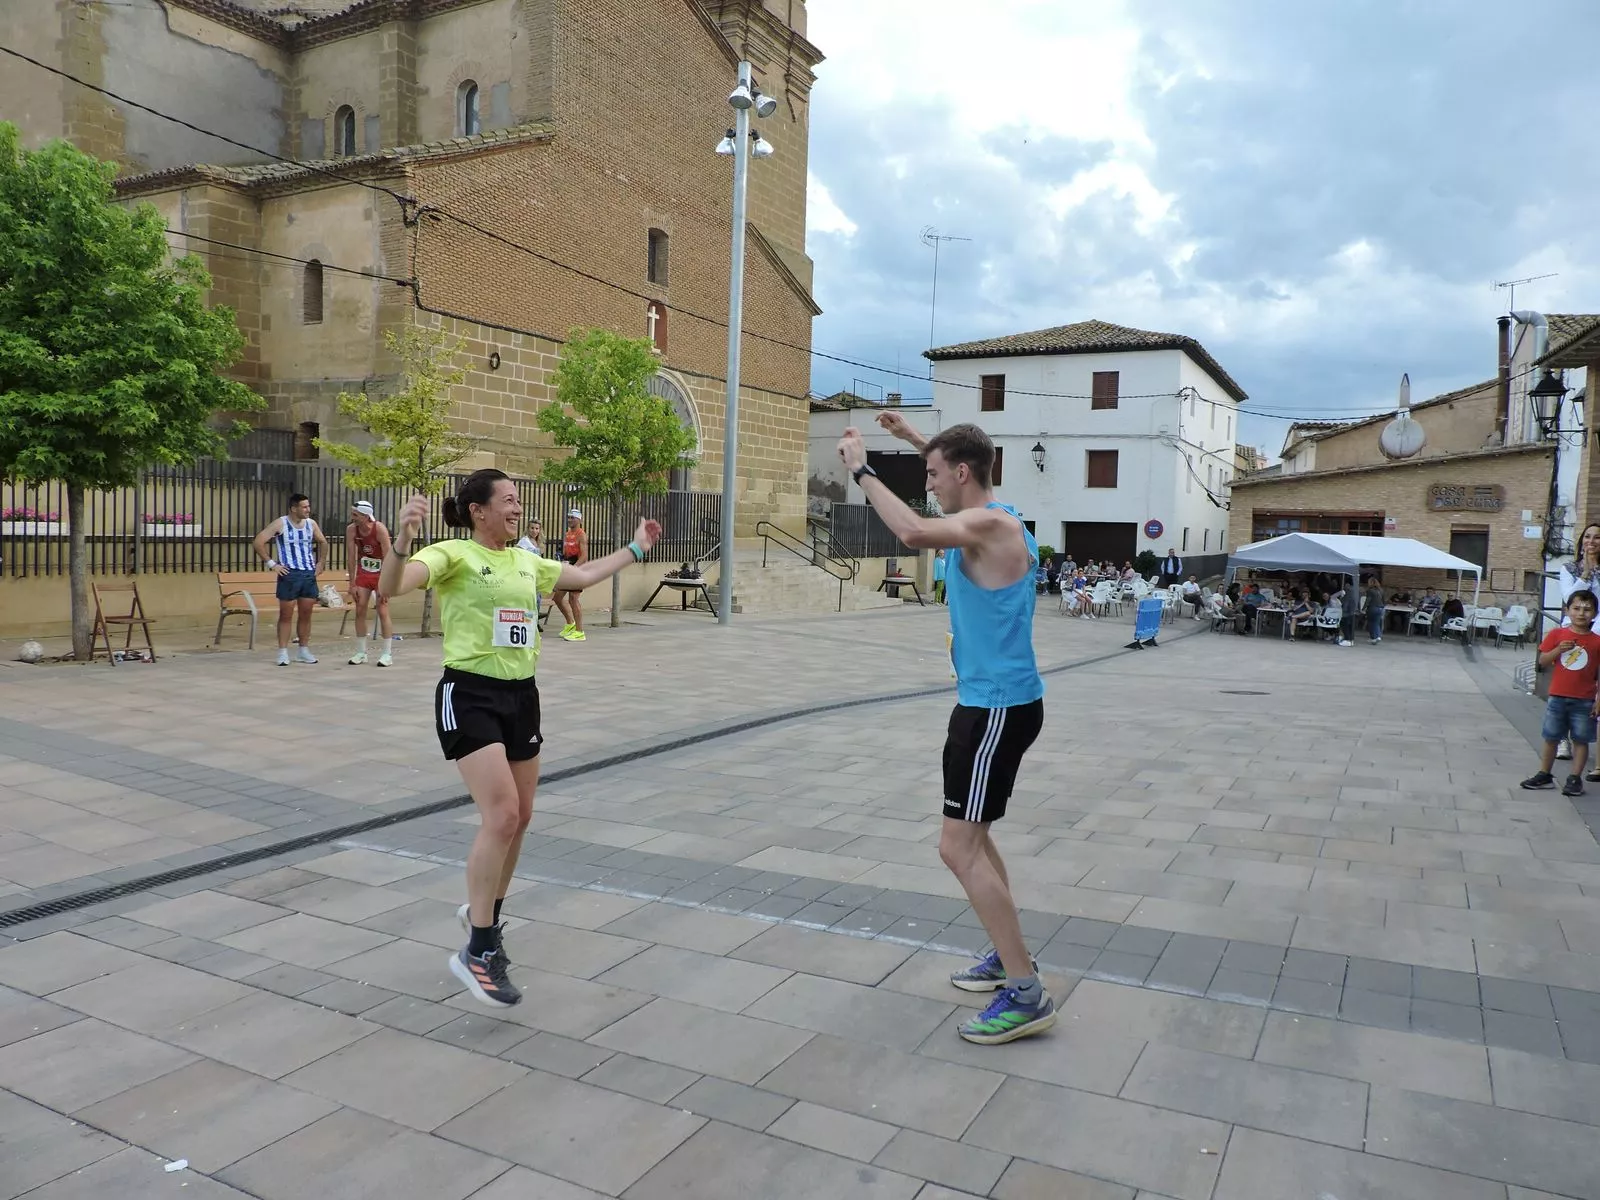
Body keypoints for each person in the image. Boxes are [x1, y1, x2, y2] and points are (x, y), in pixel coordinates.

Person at [378, 469, 661, 1008]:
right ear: (478, 510)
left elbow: (582, 576)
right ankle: (478, 949)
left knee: (522, 815)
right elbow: (394, 586)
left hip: (520, 697)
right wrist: (400, 544)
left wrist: (635, 547)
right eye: (508, 500)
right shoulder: (452, 554)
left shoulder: (527, 559)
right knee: (502, 814)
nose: (517, 507)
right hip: (470, 694)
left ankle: (485, 914)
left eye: (518, 500)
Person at [853, 410, 1055, 1045]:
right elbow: (962, 479)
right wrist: (921, 443)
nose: (929, 484)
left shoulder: (988, 524)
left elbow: (914, 531)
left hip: (994, 709)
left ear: (963, 474)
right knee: (978, 837)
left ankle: (1026, 992)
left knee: (956, 847)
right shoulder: (999, 510)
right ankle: (1008, 953)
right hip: (993, 703)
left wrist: (862, 468)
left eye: (935, 475)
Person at [1521, 589, 1600, 797]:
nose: (1581, 613)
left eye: (1587, 609)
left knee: (1581, 739)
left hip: (1585, 698)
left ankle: (1575, 778)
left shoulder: (1597, 642)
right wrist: (1558, 650)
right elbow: (1542, 661)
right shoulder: (1557, 634)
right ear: (1567, 610)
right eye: (1576, 608)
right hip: (1558, 695)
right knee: (1551, 736)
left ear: (1595, 613)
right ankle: (1544, 774)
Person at [252, 494, 329, 666]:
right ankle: (282, 652)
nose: (308, 510)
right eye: (304, 507)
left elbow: (323, 542)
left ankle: (303, 650)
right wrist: (273, 564)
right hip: (289, 574)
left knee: (306, 613)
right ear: (294, 508)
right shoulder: (281, 523)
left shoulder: (311, 524)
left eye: (308, 506)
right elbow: (258, 542)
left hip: (308, 574)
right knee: (286, 614)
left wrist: (321, 562)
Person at [1554, 524, 1600, 761]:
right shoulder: (1569, 568)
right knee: (1567, 684)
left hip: (1597, 635)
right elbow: (1569, 598)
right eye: (1588, 537)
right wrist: (1586, 573)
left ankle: (1583, 735)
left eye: (1597, 537)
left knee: (1589, 687)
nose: (1592, 541)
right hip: (1573, 632)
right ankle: (1562, 738)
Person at [345, 501, 395, 666]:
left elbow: (389, 558)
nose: (353, 518)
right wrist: (352, 583)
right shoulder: (352, 530)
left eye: (356, 515)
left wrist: (387, 584)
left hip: (381, 573)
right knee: (360, 609)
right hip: (364, 572)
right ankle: (361, 652)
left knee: (382, 609)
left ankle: (387, 654)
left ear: (365, 516)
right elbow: (351, 557)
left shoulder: (379, 529)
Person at [552, 509, 588, 642]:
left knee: (573, 599)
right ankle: (570, 624)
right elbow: (568, 553)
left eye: (573, 517)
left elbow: (584, 556)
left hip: (577, 569)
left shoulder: (581, 534)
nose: (570, 520)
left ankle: (579, 632)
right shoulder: (568, 534)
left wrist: (573, 569)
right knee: (557, 597)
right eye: (568, 517)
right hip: (568, 568)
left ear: (579, 519)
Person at [1362, 575, 1386, 644]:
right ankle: (1376, 636)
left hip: (1373, 608)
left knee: (1371, 623)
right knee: (1377, 623)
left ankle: (1375, 637)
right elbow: (1384, 600)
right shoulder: (1381, 590)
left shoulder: (1370, 591)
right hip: (1380, 608)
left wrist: (1363, 608)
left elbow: (1368, 600)